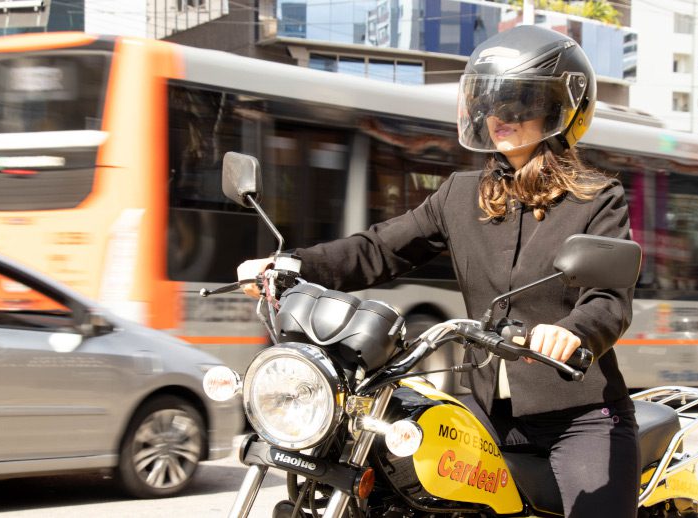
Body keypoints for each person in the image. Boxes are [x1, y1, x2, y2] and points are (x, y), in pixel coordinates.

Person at [237, 25, 638, 518]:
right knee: (393, 476)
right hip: (488, 411)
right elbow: (379, 249)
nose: (498, 116)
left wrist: (570, 333)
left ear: (562, 108)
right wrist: (292, 264)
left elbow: (608, 300)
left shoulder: (597, 198)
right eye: (490, 102)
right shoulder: (460, 194)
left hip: (579, 416)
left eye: (517, 102)